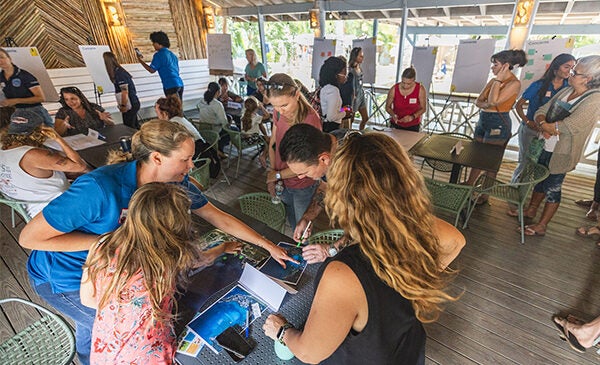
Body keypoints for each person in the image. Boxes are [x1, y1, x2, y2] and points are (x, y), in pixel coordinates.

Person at [18, 120, 294, 365]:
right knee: (110, 332)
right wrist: (112, 243)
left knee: (96, 331)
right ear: (157, 158)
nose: (191, 167)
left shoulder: (174, 182)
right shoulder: (99, 188)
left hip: (119, 273)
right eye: (185, 160)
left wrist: (266, 243)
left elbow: (216, 216)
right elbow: (30, 238)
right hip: (65, 275)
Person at [263, 132, 458, 364]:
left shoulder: (343, 274)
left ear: (343, 196)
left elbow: (310, 353)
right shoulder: (413, 230)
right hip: (405, 348)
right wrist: (416, 283)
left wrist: (281, 330)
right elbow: (455, 239)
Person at [81, 183, 242, 364]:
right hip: (148, 353)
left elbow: (88, 299)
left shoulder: (102, 245)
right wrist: (224, 247)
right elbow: (202, 260)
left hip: (105, 350)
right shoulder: (170, 254)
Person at [279, 124, 465, 266]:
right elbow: (324, 188)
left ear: (324, 159)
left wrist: (331, 250)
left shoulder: (358, 174)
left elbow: (364, 226)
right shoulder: (332, 141)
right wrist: (307, 217)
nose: (301, 177)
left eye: (303, 172)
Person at [521, 56, 600, 236]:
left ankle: (542, 225)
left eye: (574, 72)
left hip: (562, 152)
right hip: (545, 144)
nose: (569, 74)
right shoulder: (566, 90)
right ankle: (531, 210)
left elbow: (572, 126)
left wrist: (548, 126)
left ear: (587, 78)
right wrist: (543, 123)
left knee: (553, 187)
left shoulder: (594, 99)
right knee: (539, 179)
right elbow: (542, 110)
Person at [507, 53, 575, 217]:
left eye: (573, 68)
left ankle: (530, 200)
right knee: (524, 162)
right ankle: (515, 194)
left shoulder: (568, 88)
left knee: (540, 166)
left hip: (550, 135)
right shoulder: (539, 85)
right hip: (531, 130)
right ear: (556, 67)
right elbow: (519, 105)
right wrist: (528, 122)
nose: (570, 71)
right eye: (567, 67)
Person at [0, 111, 88, 218]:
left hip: (30, 203)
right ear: (39, 132)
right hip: (56, 209)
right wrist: (57, 138)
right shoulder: (33, 154)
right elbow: (80, 166)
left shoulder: (3, 149)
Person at [464, 50, 527, 190]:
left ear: (506, 66)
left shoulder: (513, 83)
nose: (492, 67)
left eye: (495, 64)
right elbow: (478, 101)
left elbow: (493, 101)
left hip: (498, 121)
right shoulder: (493, 81)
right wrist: (487, 104)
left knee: (490, 161)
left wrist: (498, 80)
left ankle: (484, 192)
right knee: (478, 155)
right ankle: (469, 183)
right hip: (484, 119)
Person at [266, 73, 322, 230]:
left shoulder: (310, 119)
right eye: (274, 106)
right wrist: (272, 172)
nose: (279, 111)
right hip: (281, 180)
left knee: (302, 226)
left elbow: (307, 163)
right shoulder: (277, 112)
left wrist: (276, 175)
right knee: (291, 218)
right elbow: (273, 142)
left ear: (297, 94)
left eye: (284, 105)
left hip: (302, 183)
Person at [0, 47, 53, 127]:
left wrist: (15, 101)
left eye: (1, 57)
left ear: (9, 58)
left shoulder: (25, 75)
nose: (0, 61)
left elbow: (41, 98)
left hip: (34, 111)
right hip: (16, 114)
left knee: (46, 136)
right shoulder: (1, 77)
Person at [155, 94, 208, 159]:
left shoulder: (173, 124)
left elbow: (168, 145)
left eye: (157, 113)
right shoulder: (179, 118)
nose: (157, 117)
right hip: (201, 148)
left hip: (196, 153)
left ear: (165, 113)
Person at [137, 31, 184, 99]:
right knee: (178, 107)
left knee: (172, 108)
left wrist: (140, 61)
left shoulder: (158, 55)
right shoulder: (172, 55)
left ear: (159, 43)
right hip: (179, 83)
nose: (153, 45)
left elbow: (151, 70)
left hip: (169, 85)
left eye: (154, 42)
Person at [103, 51, 140, 129]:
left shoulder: (119, 74)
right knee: (134, 126)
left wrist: (123, 106)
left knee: (129, 128)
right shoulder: (119, 71)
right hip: (131, 102)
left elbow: (124, 92)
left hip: (131, 103)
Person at [385, 67, 427, 132]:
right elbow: (387, 107)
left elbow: (423, 108)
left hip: (413, 125)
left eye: (408, 84)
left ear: (414, 80)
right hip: (396, 124)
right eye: (403, 82)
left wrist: (412, 117)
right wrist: (393, 115)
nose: (405, 86)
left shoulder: (420, 89)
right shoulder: (394, 89)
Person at [197, 82, 231, 156]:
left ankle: (215, 149)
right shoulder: (217, 104)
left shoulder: (201, 101)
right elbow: (224, 122)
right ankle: (219, 150)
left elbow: (199, 108)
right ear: (218, 92)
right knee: (231, 132)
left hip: (203, 129)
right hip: (215, 130)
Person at [319, 56, 352, 132]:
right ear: (336, 74)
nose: (346, 76)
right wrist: (345, 113)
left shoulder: (326, 87)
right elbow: (331, 117)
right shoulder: (333, 90)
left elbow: (331, 110)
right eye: (344, 73)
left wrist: (342, 109)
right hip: (331, 128)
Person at [240, 96, 269, 167]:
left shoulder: (243, 114)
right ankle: (263, 156)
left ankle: (264, 144)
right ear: (256, 108)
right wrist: (262, 107)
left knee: (260, 124)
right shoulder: (255, 117)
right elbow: (267, 115)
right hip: (252, 139)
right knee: (270, 140)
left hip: (243, 138)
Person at [349, 47, 370, 130]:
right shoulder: (351, 70)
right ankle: (349, 135)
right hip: (354, 96)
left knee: (365, 117)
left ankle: (361, 133)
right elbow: (351, 85)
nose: (362, 58)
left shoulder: (359, 68)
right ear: (355, 57)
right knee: (351, 118)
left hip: (361, 95)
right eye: (360, 56)